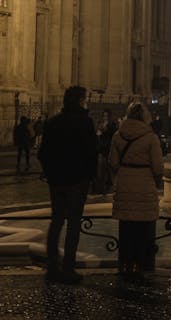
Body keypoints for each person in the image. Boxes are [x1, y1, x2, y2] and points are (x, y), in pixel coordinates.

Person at [37, 85, 98, 284]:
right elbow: (92, 153)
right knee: (73, 224)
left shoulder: (52, 123)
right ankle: (68, 269)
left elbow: (42, 153)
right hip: (77, 181)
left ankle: (52, 268)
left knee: (56, 222)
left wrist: (51, 173)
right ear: (81, 100)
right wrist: (90, 177)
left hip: (57, 181)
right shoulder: (86, 123)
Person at [108, 102, 164, 280]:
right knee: (142, 228)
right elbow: (158, 167)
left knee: (125, 227)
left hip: (125, 181)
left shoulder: (118, 136)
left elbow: (113, 163)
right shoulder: (150, 137)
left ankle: (124, 262)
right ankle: (138, 265)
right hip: (144, 184)